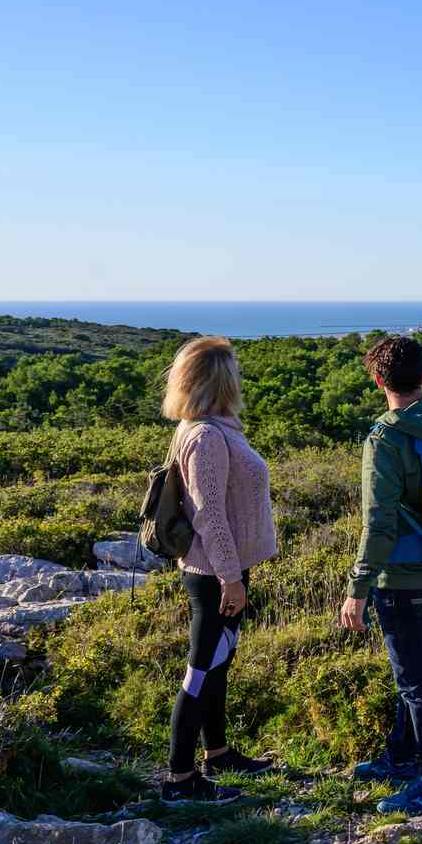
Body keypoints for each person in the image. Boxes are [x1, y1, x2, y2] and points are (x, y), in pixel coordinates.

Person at [338, 335, 422, 815]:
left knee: (417, 680)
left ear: (378, 381)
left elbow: (380, 523)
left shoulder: (386, 438)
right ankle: (403, 756)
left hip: (402, 577)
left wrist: (358, 588)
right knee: (413, 670)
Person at [161, 336, 278, 802]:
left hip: (224, 568)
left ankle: (219, 752)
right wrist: (231, 577)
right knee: (200, 670)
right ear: (219, 379)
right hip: (214, 574)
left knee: (217, 665)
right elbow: (209, 514)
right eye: (234, 370)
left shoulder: (217, 427)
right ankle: (179, 779)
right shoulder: (206, 436)